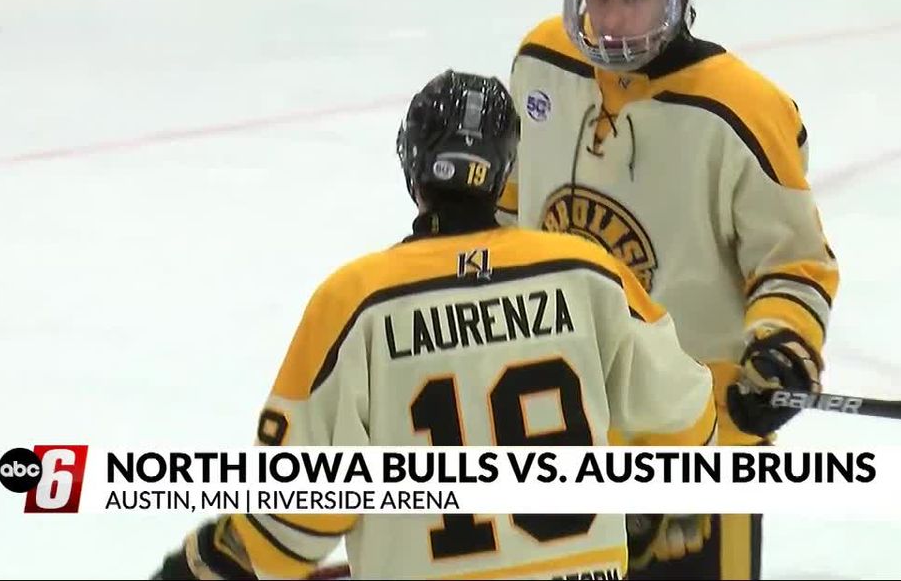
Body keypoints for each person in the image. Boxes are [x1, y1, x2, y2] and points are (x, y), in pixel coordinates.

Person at [150, 70, 719, 581]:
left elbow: (292, 519)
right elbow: (689, 421)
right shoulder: (588, 271)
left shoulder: (359, 300)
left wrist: (203, 558)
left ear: (414, 164)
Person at [497, 0, 841, 579]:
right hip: (560, 432)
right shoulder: (541, 62)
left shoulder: (741, 110)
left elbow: (793, 263)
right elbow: (509, 216)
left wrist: (783, 347)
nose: (613, 19)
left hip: (700, 447)